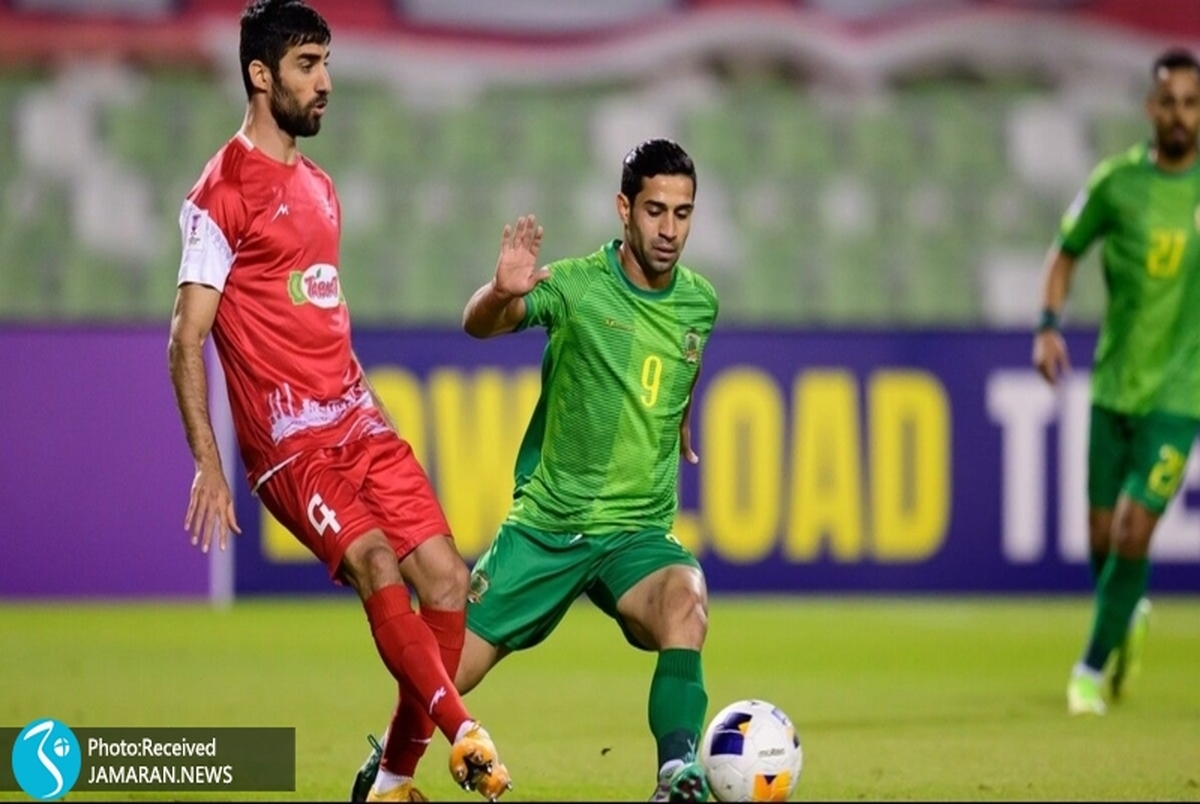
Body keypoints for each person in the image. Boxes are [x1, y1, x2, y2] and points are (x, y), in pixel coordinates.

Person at [165, 2, 512, 801]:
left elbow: (321, 314)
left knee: (451, 581)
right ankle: (464, 734)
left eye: (327, 64)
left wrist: (372, 408)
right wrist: (208, 467)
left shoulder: (320, 186)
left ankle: (390, 782)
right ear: (261, 75)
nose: (326, 83)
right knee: (375, 562)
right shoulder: (219, 193)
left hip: (358, 422)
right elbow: (186, 338)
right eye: (308, 65)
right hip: (290, 445)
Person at [357, 138, 716, 801]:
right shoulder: (578, 286)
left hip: (635, 533)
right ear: (623, 209)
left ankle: (677, 774)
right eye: (655, 211)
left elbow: (681, 366)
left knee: (686, 603)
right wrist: (498, 293)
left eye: (683, 213)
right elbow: (477, 326)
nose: (669, 230)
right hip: (548, 528)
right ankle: (387, 771)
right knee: (448, 665)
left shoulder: (700, 303)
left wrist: (683, 417)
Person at [1032, 47, 1200, 716]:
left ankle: (1088, 670)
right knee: (1102, 544)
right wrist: (1047, 324)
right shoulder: (1117, 183)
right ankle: (1125, 611)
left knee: (1133, 533)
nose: (1181, 115)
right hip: (1111, 391)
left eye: (1192, 103)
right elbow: (1064, 252)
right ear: (1150, 108)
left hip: (1180, 397)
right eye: (1170, 102)